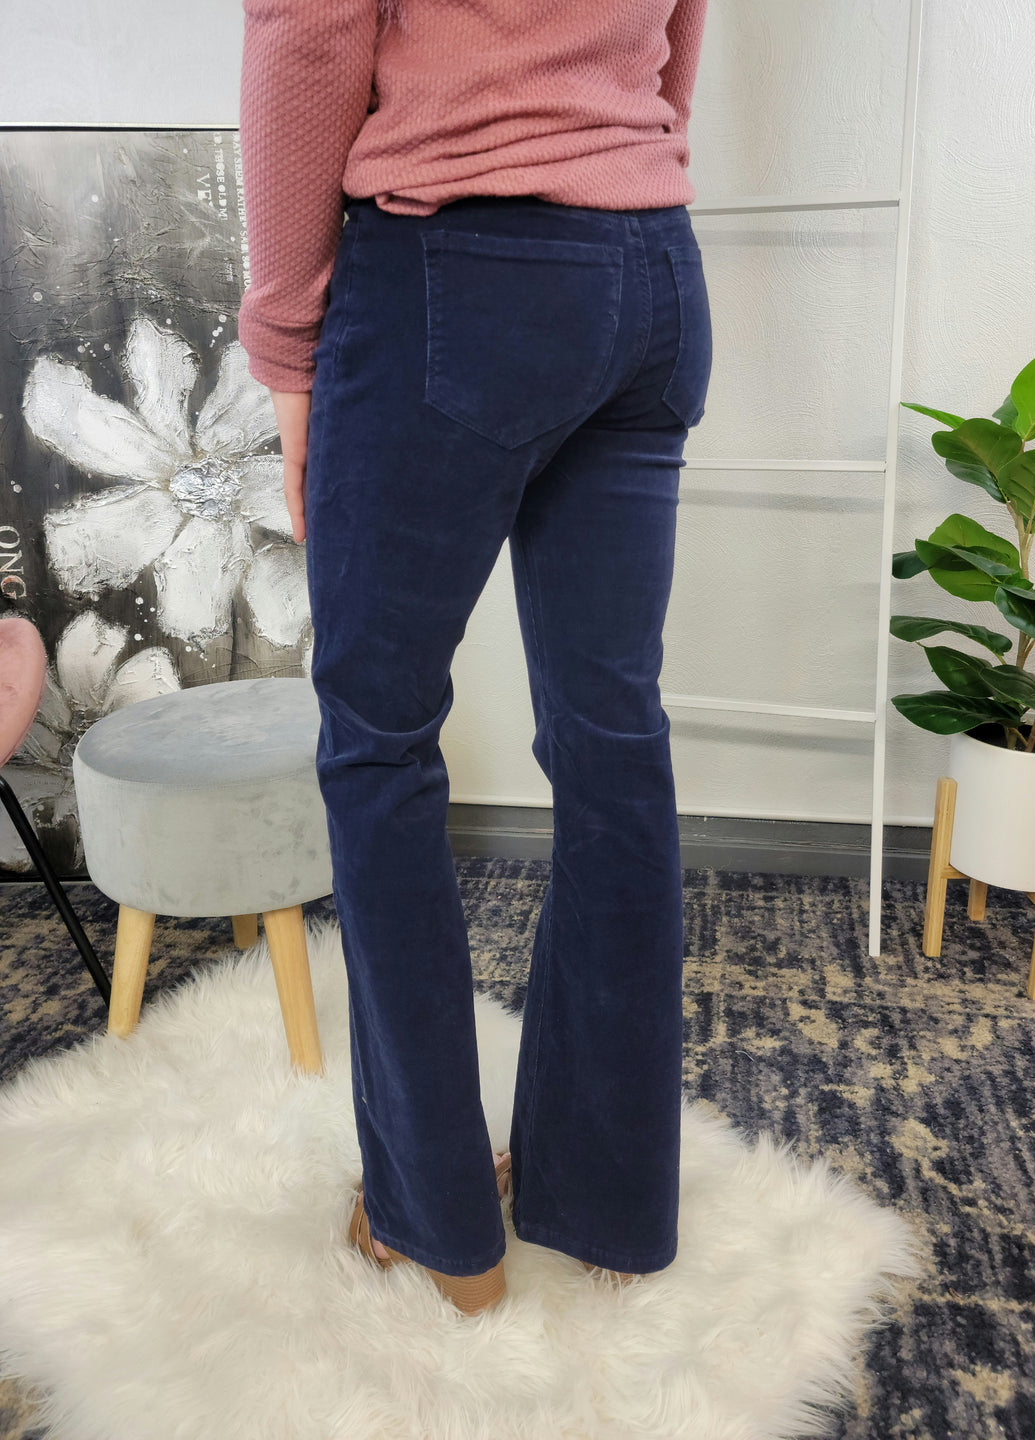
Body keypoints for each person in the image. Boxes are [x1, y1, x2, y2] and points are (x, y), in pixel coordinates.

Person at [237, 0, 713, 1318]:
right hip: (651, 268)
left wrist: (287, 349)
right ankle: (609, 1206)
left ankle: (440, 1226)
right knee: (613, 738)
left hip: (457, 260)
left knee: (378, 738)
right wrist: (625, 182)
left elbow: (308, 28)